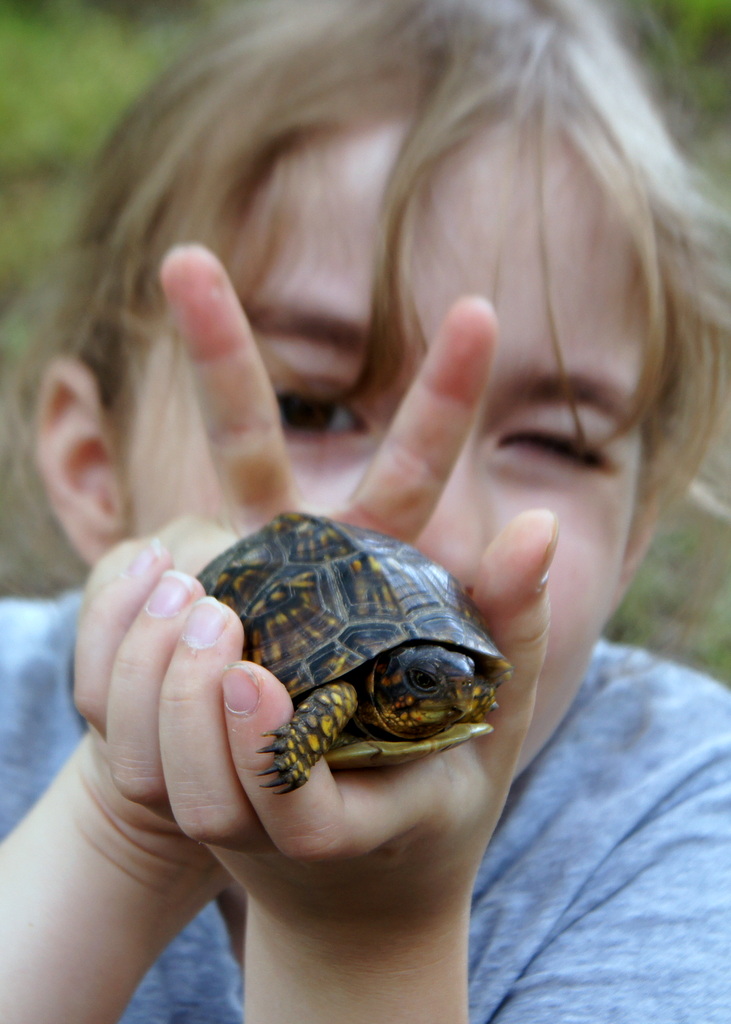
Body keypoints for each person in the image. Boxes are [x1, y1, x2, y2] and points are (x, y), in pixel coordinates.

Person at [1, 0, 730, 1020]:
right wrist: (122, 824)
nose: (427, 528)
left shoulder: (683, 819)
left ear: (635, 536)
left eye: (555, 440)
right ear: (90, 466)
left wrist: (359, 936)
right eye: (312, 406)